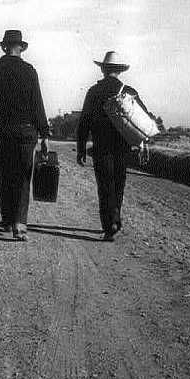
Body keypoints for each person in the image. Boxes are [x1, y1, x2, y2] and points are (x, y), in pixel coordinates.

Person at [0, 30, 49, 241]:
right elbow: (38, 103)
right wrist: (44, 132)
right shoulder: (29, 71)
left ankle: (7, 220)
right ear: (21, 48)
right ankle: (20, 223)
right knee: (23, 177)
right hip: (27, 131)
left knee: (6, 174)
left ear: (4, 47)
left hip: (4, 130)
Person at [76, 51, 148, 242]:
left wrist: (81, 148)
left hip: (101, 147)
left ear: (102, 69)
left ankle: (109, 226)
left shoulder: (94, 92)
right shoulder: (128, 91)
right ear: (120, 71)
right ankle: (115, 217)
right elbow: (143, 117)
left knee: (104, 186)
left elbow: (84, 122)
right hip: (123, 148)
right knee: (118, 184)